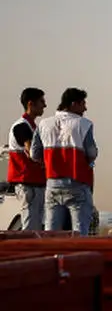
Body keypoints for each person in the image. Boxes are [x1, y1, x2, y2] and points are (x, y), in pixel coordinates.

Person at [30, 88, 98, 236]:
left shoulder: (43, 124)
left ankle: (51, 257)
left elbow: (34, 154)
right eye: (83, 104)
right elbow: (92, 153)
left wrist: (49, 161)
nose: (85, 108)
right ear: (74, 104)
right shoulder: (84, 124)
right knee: (79, 234)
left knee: (51, 234)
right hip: (77, 183)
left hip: (52, 184)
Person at [6, 87, 48, 230]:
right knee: (30, 225)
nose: (45, 105)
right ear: (31, 104)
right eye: (41, 101)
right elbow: (32, 152)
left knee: (36, 225)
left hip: (36, 183)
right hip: (27, 182)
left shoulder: (32, 126)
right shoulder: (21, 126)